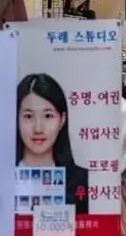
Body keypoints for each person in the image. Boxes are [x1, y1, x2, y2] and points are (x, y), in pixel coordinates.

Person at [16, 72, 89, 213]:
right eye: (28, 116)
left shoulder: (81, 179)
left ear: (62, 120)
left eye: (48, 116)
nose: (38, 128)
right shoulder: (0, 178)